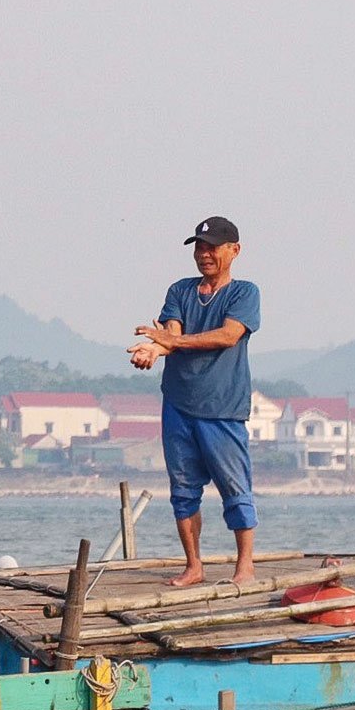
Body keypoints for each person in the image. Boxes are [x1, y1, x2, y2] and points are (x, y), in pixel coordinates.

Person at [130, 215, 261, 587]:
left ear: (234, 250)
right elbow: (172, 332)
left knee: (235, 489)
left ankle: (245, 568)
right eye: (200, 248)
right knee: (183, 490)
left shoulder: (244, 293)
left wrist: (167, 343)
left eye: (213, 247)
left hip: (222, 408)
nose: (205, 254)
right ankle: (194, 566)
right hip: (178, 404)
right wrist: (154, 349)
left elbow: (227, 336)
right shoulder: (180, 290)